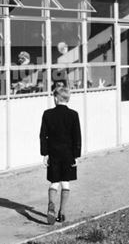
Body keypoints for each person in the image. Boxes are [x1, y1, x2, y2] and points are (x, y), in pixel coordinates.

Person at [40, 86, 81, 225]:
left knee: (54, 182)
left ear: (57, 98)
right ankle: (61, 213)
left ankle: (51, 203)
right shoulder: (73, 115)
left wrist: (45, 154)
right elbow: (77, 137)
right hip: (68, 154)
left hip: (54, 153)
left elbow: (43, 136)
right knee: (66, 183)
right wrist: (75, 156)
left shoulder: (47, 114)